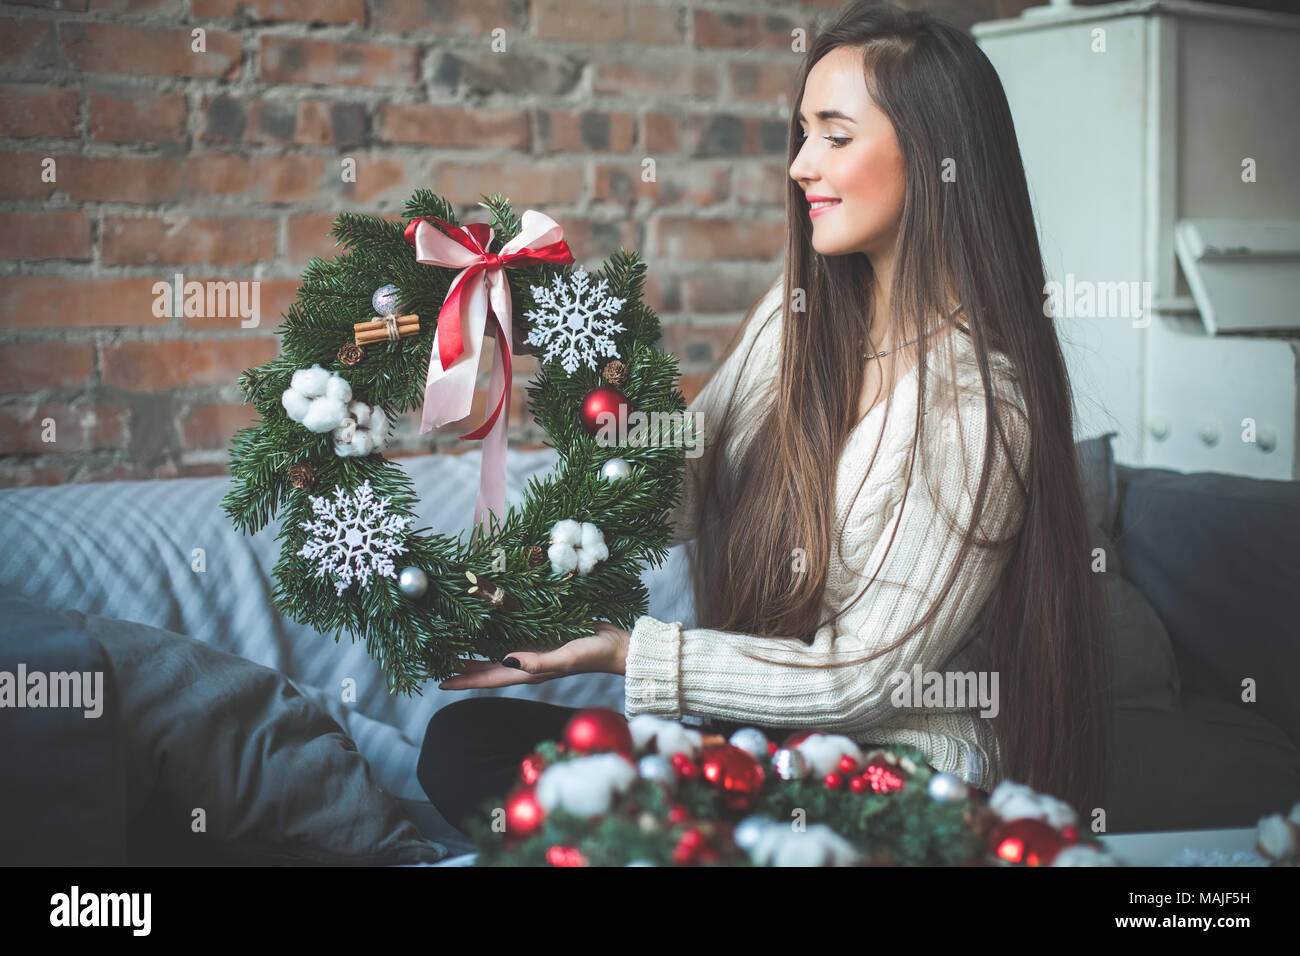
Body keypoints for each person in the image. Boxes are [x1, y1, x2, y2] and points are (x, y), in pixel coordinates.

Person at [418, 0, 1111, 843]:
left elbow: (857, 680)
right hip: (764, 745)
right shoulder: (796, 325)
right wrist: (570, 358)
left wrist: (630, 653)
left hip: (895, 774)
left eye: (835, 135)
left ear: (936, 158)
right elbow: (684, 483)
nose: (800, 165)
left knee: (625, 811)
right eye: (802, 132)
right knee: (465, 746)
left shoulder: (981, 405)